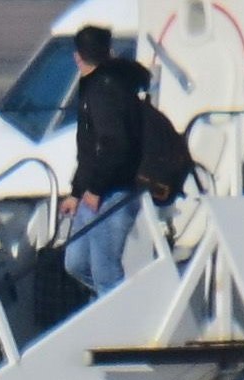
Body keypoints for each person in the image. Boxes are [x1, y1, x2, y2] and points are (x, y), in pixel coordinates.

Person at [62, 25, 151, 295]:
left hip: (114, 190)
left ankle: (115, 321)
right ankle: (109, 304)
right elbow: (89, 149)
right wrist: (77, 192)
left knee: (105, 270)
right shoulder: (93, 86)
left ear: (78, 57)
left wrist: (96, 189)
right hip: (93, 189)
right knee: (75, 263)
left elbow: (115, 145)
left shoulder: (106, 88)